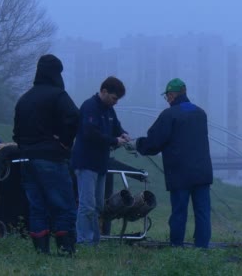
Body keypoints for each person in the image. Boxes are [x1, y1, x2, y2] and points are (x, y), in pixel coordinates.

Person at [132, 78, 213, 248]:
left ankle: (177, 247)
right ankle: (202, 248)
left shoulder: (169, 115)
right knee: (203, 213)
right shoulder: (201, 113)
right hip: (202, 173)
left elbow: (154, 142)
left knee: (179, 213)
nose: (167, 100)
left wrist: (137, 145)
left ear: (172, 95)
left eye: (167, 96)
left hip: (180, 174)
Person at [13, 54, 80, 255]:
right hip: (51, 158)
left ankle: (41, 252)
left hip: (26, 159)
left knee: (37, 207)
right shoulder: (58, 95)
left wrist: (27, 146)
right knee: (64, 206)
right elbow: (74, 117)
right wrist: (65, 142)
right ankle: (65, 250)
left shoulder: (24, 99)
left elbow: (16, 133)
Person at [71, 76, 130, 246]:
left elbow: (116, 127)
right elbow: (90, 133)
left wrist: (123, 134)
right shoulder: (90, 107)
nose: (116, 102)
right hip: (86, 163)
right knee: (86, 205)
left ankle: (94, 240)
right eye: (114, 98)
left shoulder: (109, 109)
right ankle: (83, 241)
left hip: (101, 164)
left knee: (97, 206)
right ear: (104, 92)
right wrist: (114, 141)